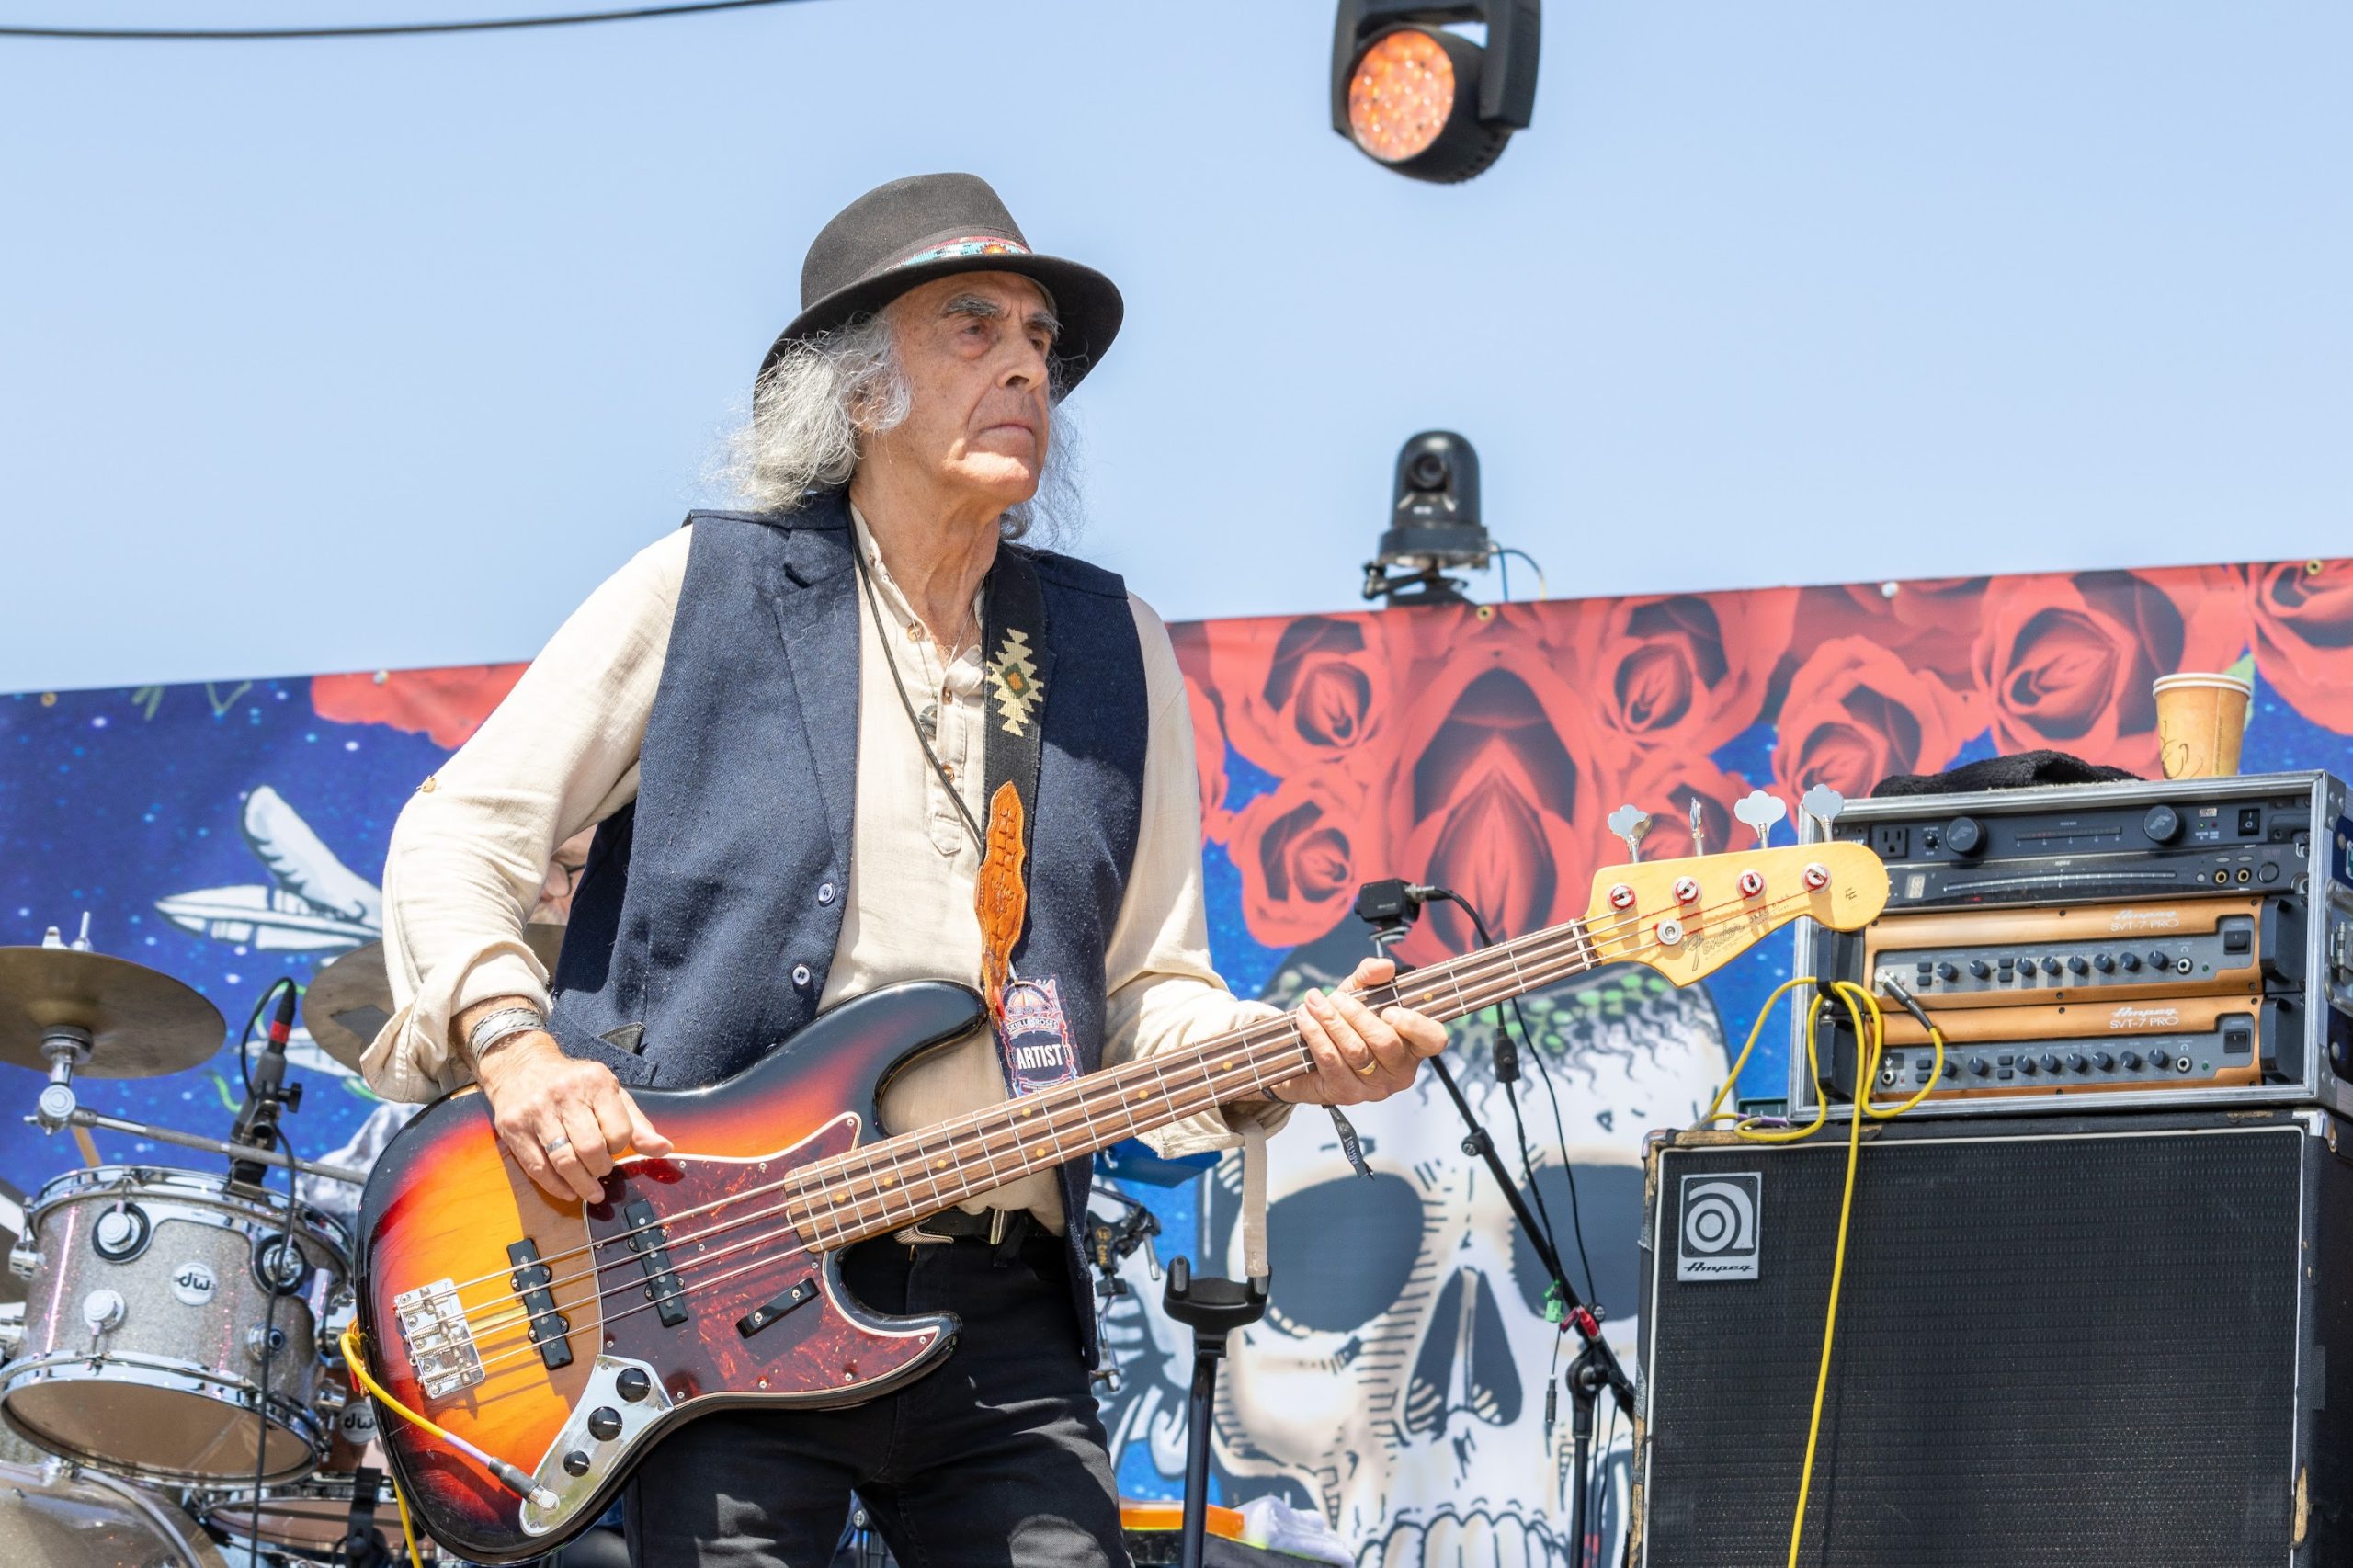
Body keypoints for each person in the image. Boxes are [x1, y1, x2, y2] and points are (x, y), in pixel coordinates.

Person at [363, 172, 1447, 1568]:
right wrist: (517, 1051)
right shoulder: (706, 589)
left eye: (1040, 339)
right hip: (704, 1294)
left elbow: (1149, 993)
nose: (1027, 366)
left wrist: (1289, 1057)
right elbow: (459, 831)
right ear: (857, 390)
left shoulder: (1112, 647)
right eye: (973, 326)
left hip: (1000, 1304)